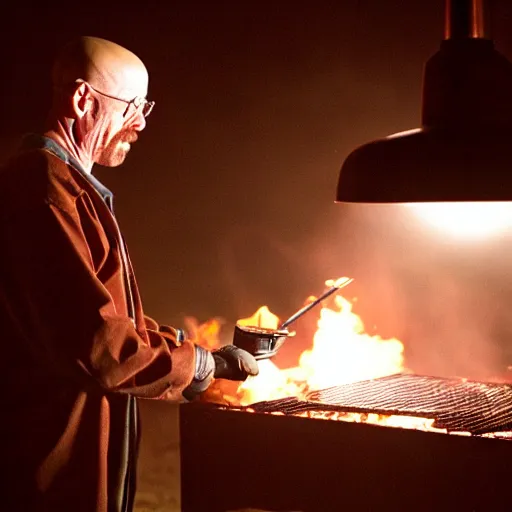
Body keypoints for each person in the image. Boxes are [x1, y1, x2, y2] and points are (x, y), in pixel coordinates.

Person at [0, 36, 260, 512]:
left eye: (147, 107)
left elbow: (109, 317)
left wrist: (194, 356)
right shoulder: (43, 193)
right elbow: (101, 347)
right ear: (82, 100)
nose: (141, 123)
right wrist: (199, 367)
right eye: (132, 106)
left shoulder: (67, 189)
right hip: (45, 476)